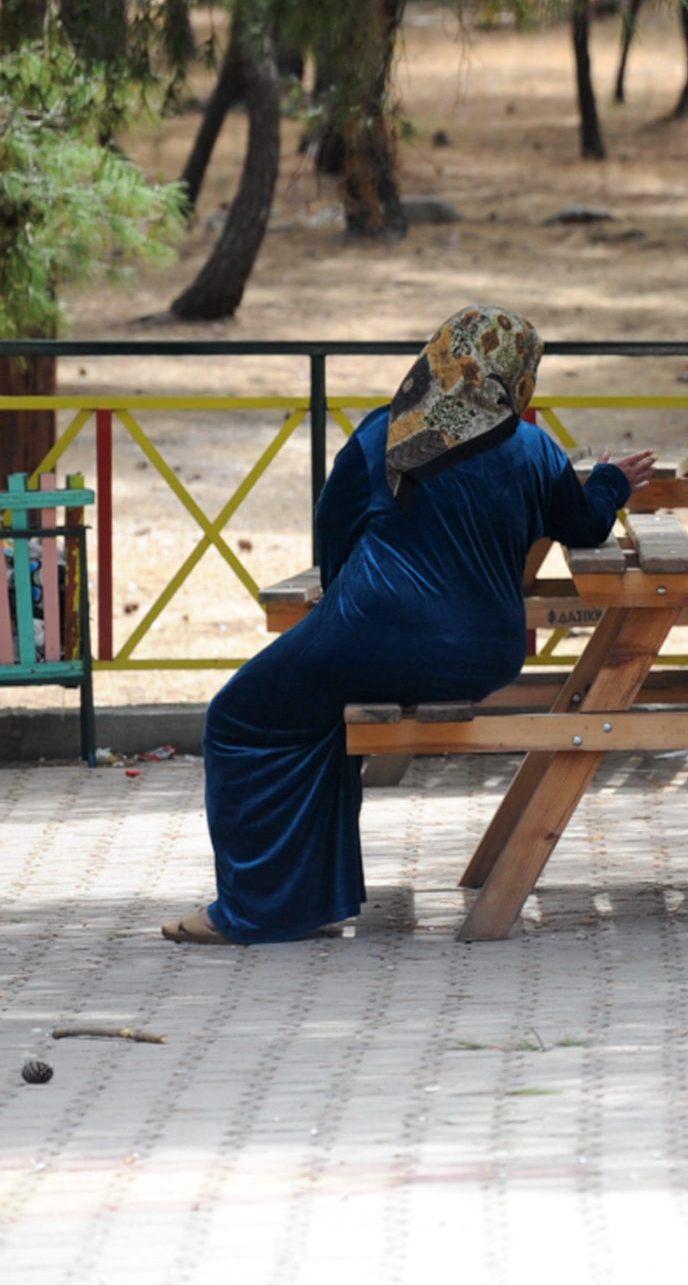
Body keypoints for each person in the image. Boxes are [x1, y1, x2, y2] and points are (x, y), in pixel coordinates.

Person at [167, 307, 651, 944]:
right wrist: (613, 482)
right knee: (313, 717)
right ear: (518, 375)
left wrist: (339, 621)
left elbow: (333, 536)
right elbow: (586, 526)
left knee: (239, 720)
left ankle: (257, 911)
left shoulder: (382, 439)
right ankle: (310, 898)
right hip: (489, 657)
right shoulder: (535, 449)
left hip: (372, 636)